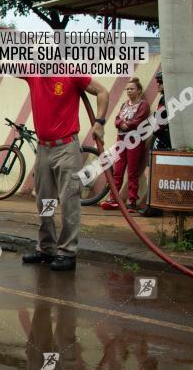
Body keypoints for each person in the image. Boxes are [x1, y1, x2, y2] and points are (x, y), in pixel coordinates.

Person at [19, 75, 109, 272]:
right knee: (45, 201)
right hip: (43, 149)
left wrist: (99, 122)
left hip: (66, 147)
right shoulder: (33, 73)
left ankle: (67, 252)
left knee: (69, 200)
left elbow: (102, 92)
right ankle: (46, 248)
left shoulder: (71, 73)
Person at [101, 77, 150, 211]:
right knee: (118, 170)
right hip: (121, 141)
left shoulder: (143, 105)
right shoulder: (124, 104)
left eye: (131, 89)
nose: (128, 91)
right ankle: (113, 199)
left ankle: (132, 202)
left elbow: (139, 120)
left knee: (132, 172)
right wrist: (120, 124)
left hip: (135, 141)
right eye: (127, 89)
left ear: (139, 91)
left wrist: (125, 125)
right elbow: (117, 119)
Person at [140, 70, 171, 216]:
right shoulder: (169, 98)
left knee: (151, 172)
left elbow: (159, 122)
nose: (157, 84)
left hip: (162, 139)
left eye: (160, 81)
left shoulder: (165, 99)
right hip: (167, 140)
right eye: (157, 81)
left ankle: (154, 206)